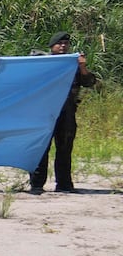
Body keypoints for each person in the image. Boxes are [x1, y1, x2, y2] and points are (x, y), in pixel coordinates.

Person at [27, 31, 98, 194]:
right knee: (41, 149)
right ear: (52, 46)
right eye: (60, 44)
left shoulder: (73, 65)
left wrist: (82, 66)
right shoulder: (42, 63)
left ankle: (64, 184)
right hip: (44, 114)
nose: (63, 46)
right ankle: (37, 184)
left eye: (66, 44)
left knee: (65, 149)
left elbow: (89, 82)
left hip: (66, 113)